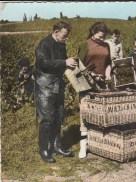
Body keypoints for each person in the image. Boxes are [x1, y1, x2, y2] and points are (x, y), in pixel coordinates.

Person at [35, 21, 76, 163]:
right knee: (47, 118)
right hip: (45, 85)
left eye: (67, 36)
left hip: (58, 84)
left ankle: (56, 146)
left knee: (58, 115)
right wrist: (65, 62)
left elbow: (63, 61)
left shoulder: (61, 44)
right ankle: (44, 149)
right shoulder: (44, 44)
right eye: (64, 36)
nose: (66, 39)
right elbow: (44, 64)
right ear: (56, 32)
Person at [77, 22, 112, 159]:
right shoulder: (85, 44)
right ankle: (83, 144)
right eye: (99, 35)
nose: (101, 38)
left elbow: (108, 62)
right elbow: (79, 66)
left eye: (103, 36)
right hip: (86, 83)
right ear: (93, 32)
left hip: (102, 83)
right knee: (85, 112)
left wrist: (108, 74)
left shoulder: (106, 45)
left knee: (100, 112)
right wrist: (92, 75)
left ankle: (98, 142)